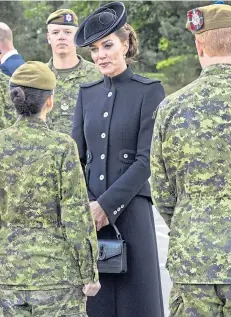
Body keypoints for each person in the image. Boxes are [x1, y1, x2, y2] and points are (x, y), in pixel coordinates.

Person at [72, 2, 165, 317]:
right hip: (91, 218)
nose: (100, 55)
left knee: (135, 304)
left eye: (108, 45)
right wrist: (89, 204)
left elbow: (146, 159)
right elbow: (76, 158)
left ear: (125, 46)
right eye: (95, 49)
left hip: (132, 215)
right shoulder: (87, 94)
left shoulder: (149, 91)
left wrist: (105, 206)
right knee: (95, 305)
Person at [0, 61, 100, 316]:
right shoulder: (61, 146)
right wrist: (90, 272)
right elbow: (76, 213)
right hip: (56, 274)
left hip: (7, 271)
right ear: (49, 101)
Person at [151, 3, 231, 317]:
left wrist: (190, 223)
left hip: (193, 256)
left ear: (199, 44)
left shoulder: (171, 107)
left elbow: (162, 192)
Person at [46, 9, 101, 135]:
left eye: (67, 32)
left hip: (85, 152)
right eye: (55, 32)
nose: (61, 37)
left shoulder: (97, 74)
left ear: (76, 37)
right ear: (49, 38)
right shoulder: (39, 75)